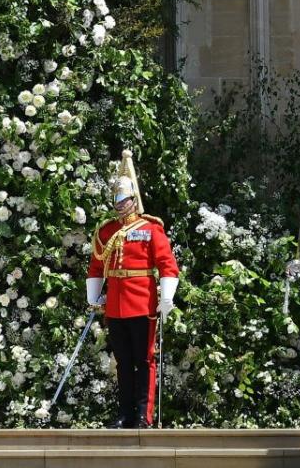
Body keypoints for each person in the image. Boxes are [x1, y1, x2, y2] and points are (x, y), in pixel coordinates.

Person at [86, 150, 179, 429]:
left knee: (144, 359)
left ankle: (143, 414)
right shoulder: (106, 231)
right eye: (116, 199)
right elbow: (96, 266)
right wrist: (94, 298)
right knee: (123, 362)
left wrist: (166, 297)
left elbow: (167, 266)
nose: (119, 204)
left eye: (123, 199)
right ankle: (125, 413)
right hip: (115, 304)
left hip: (142, 302)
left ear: (133, 200)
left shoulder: (151, 229)